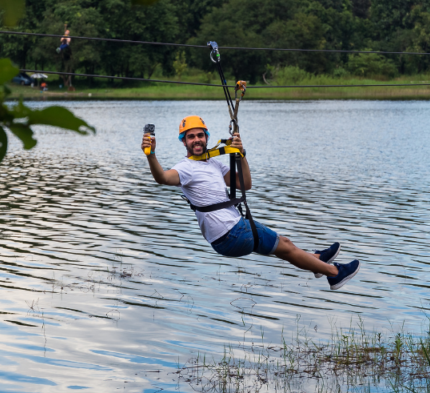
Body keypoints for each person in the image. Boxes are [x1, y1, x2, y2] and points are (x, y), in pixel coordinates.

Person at [142, 115, 361, 290]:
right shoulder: (185, 168)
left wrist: (241, 154)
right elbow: (162, 178)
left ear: (206, 137)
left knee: (284, 246)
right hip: (232, 232)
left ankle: (317, 261)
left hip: (227, 237)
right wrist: (151, 155)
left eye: (200, 135)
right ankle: (334, 273)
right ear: (183, 141)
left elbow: (245, 184)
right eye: (190, 137)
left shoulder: (214, 165)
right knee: (283, 245)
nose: (196, 140)